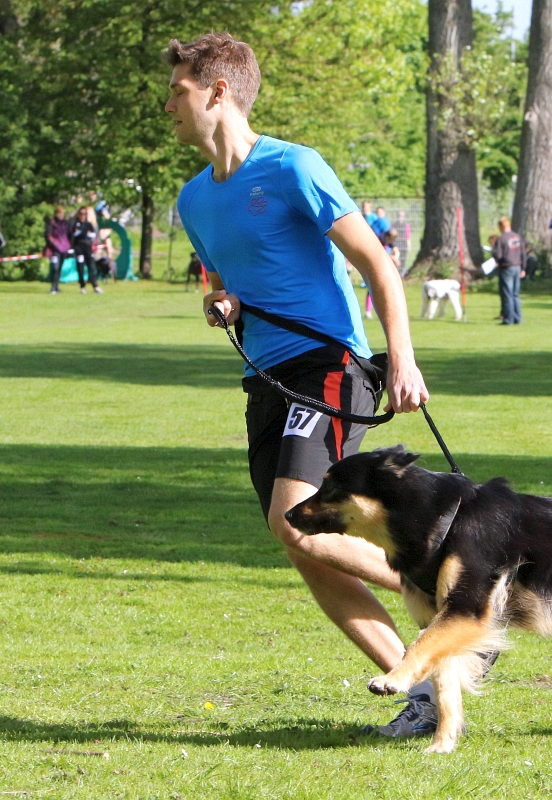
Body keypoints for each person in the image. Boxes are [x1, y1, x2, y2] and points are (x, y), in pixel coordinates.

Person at [164, 33, 433, 737]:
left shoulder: (293, 167)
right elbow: (224, 280)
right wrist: (223, 303)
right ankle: (427, 687)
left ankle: (447, 587)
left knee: (296, 521)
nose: (168, 106)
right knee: (300, 543)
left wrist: (402, 359)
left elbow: (377, 264)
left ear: (218, 92)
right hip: (265, 381)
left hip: (328, 366)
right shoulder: (194, 200)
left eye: (178, 91)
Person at [492, 216, 525, 325]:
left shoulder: (501, 238)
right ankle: (517, 318)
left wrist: (494, 254)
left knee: (507, 294)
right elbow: (523, 253)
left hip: (506, 267)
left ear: (501, 226)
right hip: (517, 267)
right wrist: (523, 267)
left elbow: (499, 255)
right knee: (515, 294)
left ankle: (508, 319)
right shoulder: (517, 237)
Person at [69, 206, 102, 294]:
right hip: (79, 248)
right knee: (80, 267)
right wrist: (83, 233)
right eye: (81, 213)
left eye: (85, 213)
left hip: (88, 247)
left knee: (91, 266)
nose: (83, 215)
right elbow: (73, 235)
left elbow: (93, 235)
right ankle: (82, 286)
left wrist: (84, 234)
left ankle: (95, 285)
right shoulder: (75, 224)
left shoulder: (88, 224)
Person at [45, 205, 72, 295]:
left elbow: (69, 234)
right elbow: (48, 235)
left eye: (62, 213)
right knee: (55, 267)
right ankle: (53, 286)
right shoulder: (52, 223)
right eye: (59, 213)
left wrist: (69, 245)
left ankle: (56, 286)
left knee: (59, 268)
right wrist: (54, 244)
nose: (61, 215)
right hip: (54, 249)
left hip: (64, 249)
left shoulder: (66, 224)